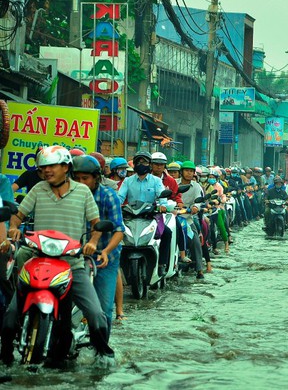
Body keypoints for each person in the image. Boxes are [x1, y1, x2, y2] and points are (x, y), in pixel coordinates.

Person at [1, 146, 115, 365]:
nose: (47, 171)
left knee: (95, 313)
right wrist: (14, 227)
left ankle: (104, 357)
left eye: (52, 166)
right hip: (38, 259)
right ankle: (5, 356)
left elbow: (95, 224)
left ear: (65, 167)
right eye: (43, 167)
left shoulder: (82, 192)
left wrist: (92, 242)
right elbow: (18, 214)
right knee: (11, 312)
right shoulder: (37, 189)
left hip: (72, 262)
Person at [71, 155, 124, 331]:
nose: (81, 182)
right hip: (74, 256)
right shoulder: (69, 196)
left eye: (85, 178)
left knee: (103, 307)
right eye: (77, 178)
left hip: (104, 257)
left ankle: (103, 351)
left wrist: (106, 252)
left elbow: (119, 230)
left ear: (96, 178)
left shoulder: (109, 196)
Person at [117, 151, 173, 276]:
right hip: (130, 216)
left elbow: (162, 197)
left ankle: (162, 264)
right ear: (135, 165)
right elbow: (120, 197)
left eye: (145, 162)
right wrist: (114, 205)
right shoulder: (127, 181)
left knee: (167, 233)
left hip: (151, 216)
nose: (142, 164)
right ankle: (117, 265)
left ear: (150, 164)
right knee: (116, 232)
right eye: (139, 162)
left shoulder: (156, 181)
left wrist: (163, 205)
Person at [177, 160, 207, 279]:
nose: (189, 173)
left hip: (187, 218)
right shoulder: (175, 184)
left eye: (191, 171)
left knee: (195, 241)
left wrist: (195, 207)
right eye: (186, 171)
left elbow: (199, 200)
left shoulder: (196, 186)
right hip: (173, 216)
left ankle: (199, 269)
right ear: (181, 172)